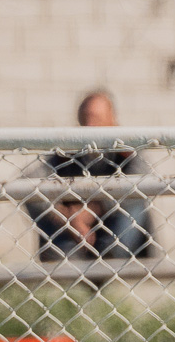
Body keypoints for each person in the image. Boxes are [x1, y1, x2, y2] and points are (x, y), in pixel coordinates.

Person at [28, 90, 154, 261]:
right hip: (73, 231)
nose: (91, 125)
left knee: (137, 197)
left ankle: (112, 254)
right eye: (86, 118)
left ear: (112, 118)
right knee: (32, 195)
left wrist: (95, 209)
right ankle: (63, 256)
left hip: (115, 227)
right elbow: (27, 179)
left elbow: (144, 180)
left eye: (97, 118)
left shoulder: (126, 149)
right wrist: (67, 216)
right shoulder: (68, 151)